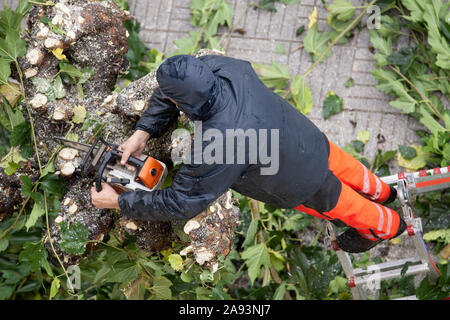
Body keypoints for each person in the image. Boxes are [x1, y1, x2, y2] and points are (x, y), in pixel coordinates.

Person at [91, 54, 406, 253]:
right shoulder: (222, 67)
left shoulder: (219, 145)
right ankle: (385, 192)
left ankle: (388, 227)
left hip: (300, 182)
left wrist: (118, 201)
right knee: (351, 172)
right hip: (309, 139)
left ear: (183, 102)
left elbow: (182, 203)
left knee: (349, 208)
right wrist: (143, 131)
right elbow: (171, 88)